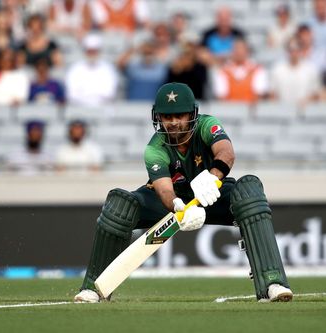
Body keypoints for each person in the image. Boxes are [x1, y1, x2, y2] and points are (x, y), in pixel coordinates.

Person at [74, 82, 293, 303]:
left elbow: (226, 152)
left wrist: (212, 177)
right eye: (167, 117)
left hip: (211, 192)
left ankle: (272, 282)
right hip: (172, 200)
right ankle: (95, 288)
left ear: (192, 114)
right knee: (119, 205)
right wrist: (177, 206)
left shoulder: (207, 125)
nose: (173, 123)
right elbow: (164, 189)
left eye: (180, 115)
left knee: (249, 191)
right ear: (158, 117)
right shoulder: (154, 148)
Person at [65, 34, 118, 106]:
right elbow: (72, 94)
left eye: (94, 51)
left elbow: (109, 93)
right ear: (85, 52)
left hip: (103, 109)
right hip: (79, 110)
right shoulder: (75, 69)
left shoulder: (108, 69)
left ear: (99, 52)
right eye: (89, 51)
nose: (92, 54)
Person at [212, 38, 268, 103]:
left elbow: (259, 94)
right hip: (229, 109)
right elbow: (221, 95)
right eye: (236, 49)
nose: (238, 52)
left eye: (241, 49)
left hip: (251, 109)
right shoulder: (223, 71)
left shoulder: (258, 69)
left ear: (247, 51)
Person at [269, 39, 322, 107]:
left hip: (306, 111)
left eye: (297, 50)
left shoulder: (311, 69)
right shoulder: (277, 69)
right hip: (282, 111)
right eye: (291, 50)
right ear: (287, 52)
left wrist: (306, 101)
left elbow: (316, 93)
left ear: (301, 51)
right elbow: (272, 93)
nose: (294, 53)